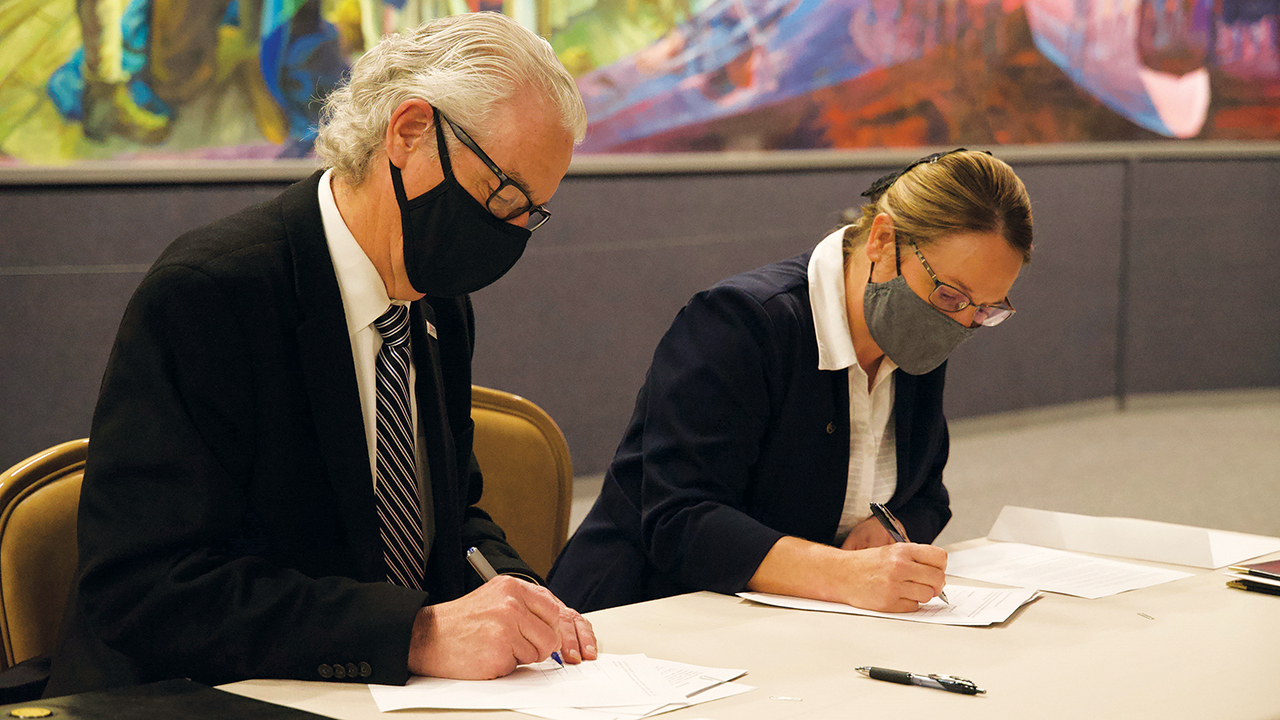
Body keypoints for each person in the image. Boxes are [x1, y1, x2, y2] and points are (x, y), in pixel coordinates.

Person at [45, 11, 596, 697]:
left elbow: (448, 515)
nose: (509, 233)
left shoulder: (438, 305)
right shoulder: (211, 295)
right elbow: (149, 588)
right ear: (409, 132)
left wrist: (514, 590)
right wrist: (414, 633)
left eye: (530, 213)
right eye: (503, 195)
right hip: (188, 697)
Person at [549, 149, 1033, 613]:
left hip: (795, 623)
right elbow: (681, 520)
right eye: (951, 296)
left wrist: (893, 528)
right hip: (638, 619)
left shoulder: (917, 332)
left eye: (985, 310)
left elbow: (927, 495)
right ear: (883, 242)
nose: (962, 323)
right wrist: (843, 574)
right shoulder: (741, 323)